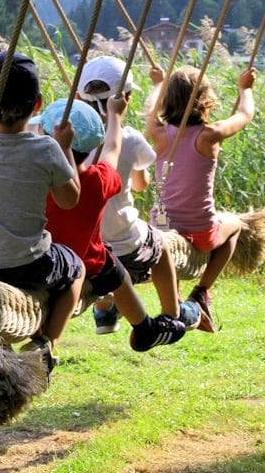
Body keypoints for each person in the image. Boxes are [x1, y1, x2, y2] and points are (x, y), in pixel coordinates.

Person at [0, 51, 85, 370]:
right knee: (76, 267)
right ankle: (46, 342)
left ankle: (2, 350)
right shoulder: (47, 149)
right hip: (30, 264)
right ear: (38, 104)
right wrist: (66, 148)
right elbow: (69, 200)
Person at [37, 95, 186, 352]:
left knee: (114, 270)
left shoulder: (34, 179)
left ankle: (106, 315)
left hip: (43, 260)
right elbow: (112, 149)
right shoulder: (98, 180)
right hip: (87, 263)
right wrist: (115, 116)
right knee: (117, 272)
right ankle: (144, 328)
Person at [77, 56, 206, 333]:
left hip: (81, 243)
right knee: (159, 247)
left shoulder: (65, 136)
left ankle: (104, 312)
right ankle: (173, 313)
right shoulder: (131, 138)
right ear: (126, 98)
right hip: (123, 242)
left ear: (79, 96)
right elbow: (140, 184)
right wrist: (140, 174)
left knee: (106, 253)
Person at [145, 63, 256, 330]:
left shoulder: (158, 134)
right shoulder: (210, 135)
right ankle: (202, 290)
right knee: (236, 225)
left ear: (168, 101)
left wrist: (157, 84)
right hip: (200, 232)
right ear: (205, 100)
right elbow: (245, 114)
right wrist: (245, 89)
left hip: (161, 227)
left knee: (174, 239)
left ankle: (178, 297)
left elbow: (150, 111)